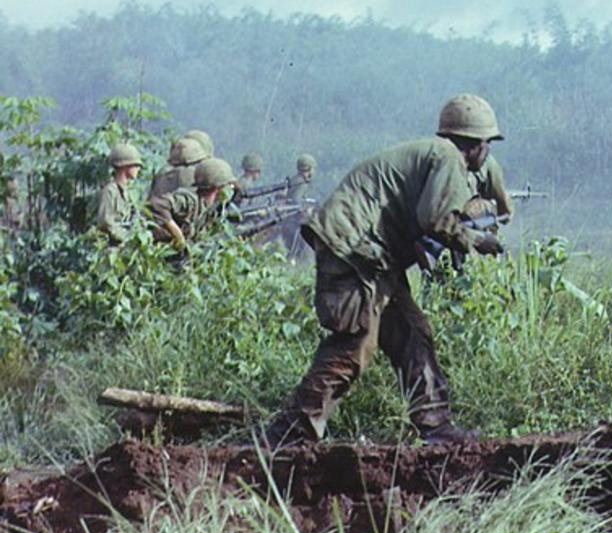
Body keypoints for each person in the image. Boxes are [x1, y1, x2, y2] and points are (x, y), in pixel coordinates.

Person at [263, 94, 506, 447]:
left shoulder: (433, 155)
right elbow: (434, 218)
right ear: (477, 144)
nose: (488, 152)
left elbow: (419, 221)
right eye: (488, 144)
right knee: (354, 344)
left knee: (412, 333)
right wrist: (476, 239)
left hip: (371, 255)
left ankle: (435, 425)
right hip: (354, 249)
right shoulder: (448, 158)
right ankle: (287, 435)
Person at [150, 158, 237, 250]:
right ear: (218, 188)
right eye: (228, 185)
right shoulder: (190, 201)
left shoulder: (209, 209)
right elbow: (157, 204)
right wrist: (178, 236)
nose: (230, 189)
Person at [96, 143, 144, 244]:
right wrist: (127, 238)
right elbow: (105, 223)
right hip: (111, 246)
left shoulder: (128, 193)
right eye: (135, 165)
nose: (138, 169)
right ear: (124, 166)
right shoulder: (110, 191)